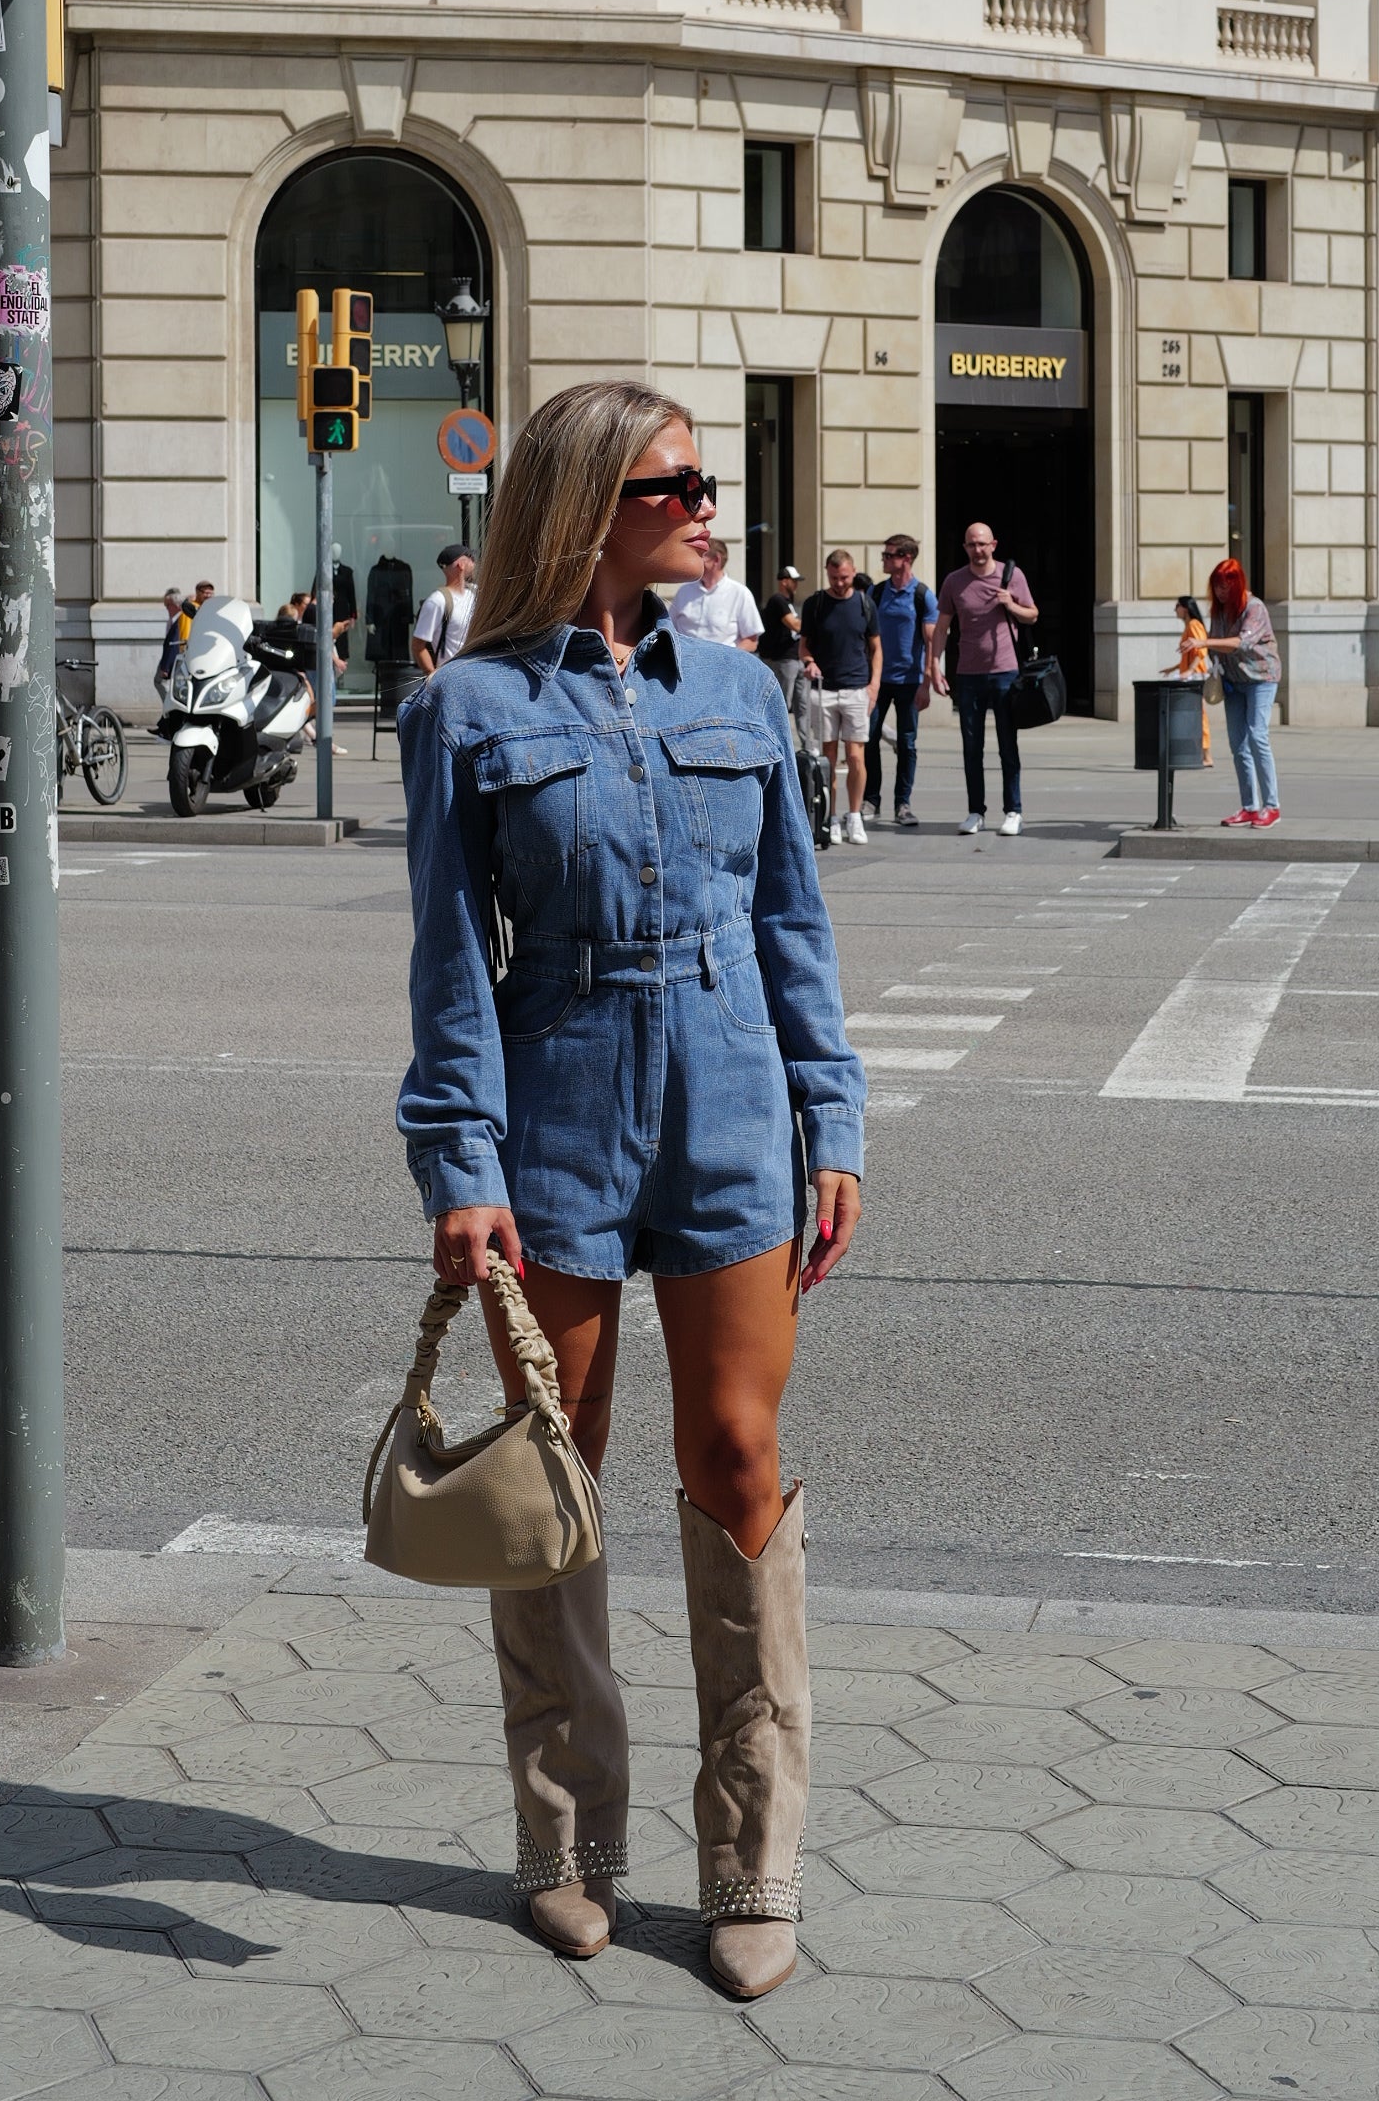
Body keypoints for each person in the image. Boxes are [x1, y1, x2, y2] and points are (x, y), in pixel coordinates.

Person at [398, 379, 862, 1998]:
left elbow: (793, 927)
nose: (706, 502)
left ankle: (752, 1853)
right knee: (558, 1472)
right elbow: (451, 967)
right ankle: (567, 1835)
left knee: (738, 1455)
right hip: (562, 1104)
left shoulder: (739, 689)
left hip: (731, 1101)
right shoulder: (465, 712)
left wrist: (833, 1114)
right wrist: (459, 1164)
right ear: (590, 506)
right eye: (677, 484)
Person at [935, 524, 1038, 836]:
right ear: (965, 547)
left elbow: (1032, 614)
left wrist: (1010, 604)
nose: (977, 550)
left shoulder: (1011, 575)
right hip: (968, 674)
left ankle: (1013, 810)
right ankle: (975, 811)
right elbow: (942, 627)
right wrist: (934, 668)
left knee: (1008, 744)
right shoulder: (954, 581)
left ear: (993, 544)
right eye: (970, 545)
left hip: (1005, 672)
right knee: (971, 747)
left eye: (981, 544)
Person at [799, 550, 881, 843]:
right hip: (825, 690)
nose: (840, 583)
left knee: (856, 756)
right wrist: (809, 662)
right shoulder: (815, 604)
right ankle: (831, 817)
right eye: (834, 577)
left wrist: (874, 686)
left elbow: (876, 648)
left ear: (853, 571)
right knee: (828, 757)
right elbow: (804, 645)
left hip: (857, 688)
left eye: (844, 577)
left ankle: (855, 816)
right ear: (826, 572)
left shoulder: (864, 603)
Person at [863, 535, 939, 828]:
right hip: (878, 680)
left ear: (906, 558)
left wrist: (927, 683)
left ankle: (902, 804)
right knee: (869, 738)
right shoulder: (877, 592)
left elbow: (931, 642)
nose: (883, 559)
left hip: (910, 680)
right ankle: (872, 800)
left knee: (907, 743)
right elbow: (865, 635)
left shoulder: (922, 595)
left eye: (888, 555)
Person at [1203, 557, 1282, 825]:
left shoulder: (1254, 607)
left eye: (1225, 587)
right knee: (1238, 745)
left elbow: (1241, 643)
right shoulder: (1219, 610)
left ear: (1237, 585)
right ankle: (1249, 806)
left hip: (1262, 678)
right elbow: (1218, 647)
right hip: (1234, 682)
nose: (1220, 592)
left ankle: (1272, 806)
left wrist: (1204, 641)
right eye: (1216, 586)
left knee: (1257, 734)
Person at [669, 537, 762, 650]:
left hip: (722, 665)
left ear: (716, 560)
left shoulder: (740, 593)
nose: (695, 561)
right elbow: (669, 628)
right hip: (684, 664)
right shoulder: (684, 591)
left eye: (701, 556)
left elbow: (751, 641)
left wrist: (726, 661)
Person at [1161, 595, 1213, 768]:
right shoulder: (1190, 627)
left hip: (1195, 677)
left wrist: (1190, 671)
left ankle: (1206, 754)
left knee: (1198, 714)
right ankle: (1198, 752)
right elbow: (1189, 655)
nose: (1175, 610)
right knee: (1192, 715)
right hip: (1190, 675)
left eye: (1177, 606)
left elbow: (1201, 650)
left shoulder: (1194, 625)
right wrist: (1175, 668)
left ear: (1185, 608)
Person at [412, 546, 476, 674]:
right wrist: (433, 676)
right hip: (451, 677)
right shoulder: (437, 601)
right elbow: (418, 646)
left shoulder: (475, 593)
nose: (474, 563)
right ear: (461, 565)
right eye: (471, 559)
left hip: (476, 674)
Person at [756, 564, 804, 718]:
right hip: (782, 659)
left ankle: (806, 742)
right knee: (783, 704)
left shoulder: (789, 602)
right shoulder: (778, 600)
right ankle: (779, 741)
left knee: (801, 704)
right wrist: (813, 625)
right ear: (784, 581)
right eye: (794, 580)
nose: (796, 584)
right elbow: (795, 625)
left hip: (794, 657)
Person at [153, 588, 185, 700]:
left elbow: (174, 645)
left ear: (176, 605)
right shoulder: (173, 620)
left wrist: (166, 667)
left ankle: (170, 708)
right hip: (169, 659)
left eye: (168, 605)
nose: (167, 608)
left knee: (160, 682)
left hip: (173, 660)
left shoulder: (180, 620)